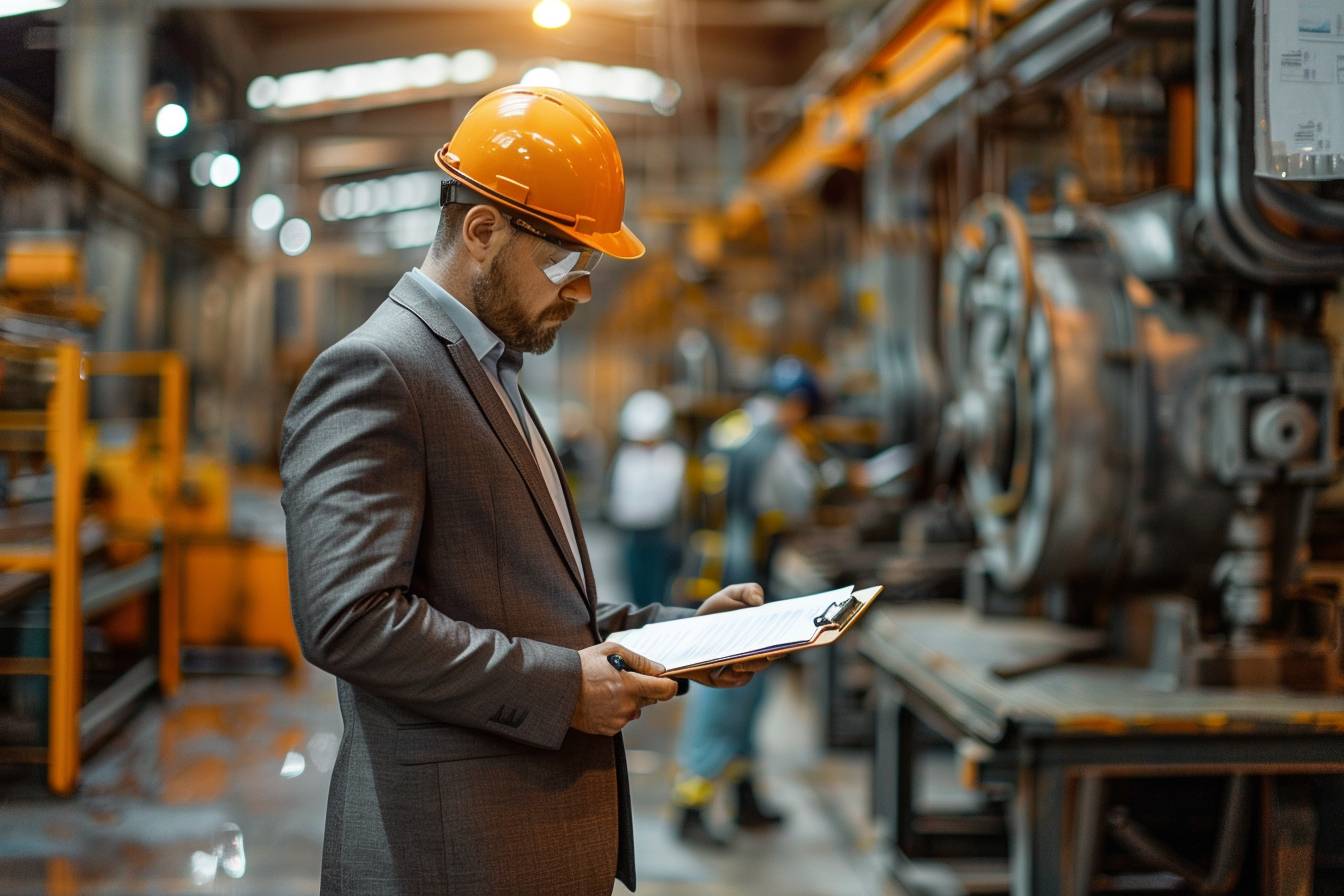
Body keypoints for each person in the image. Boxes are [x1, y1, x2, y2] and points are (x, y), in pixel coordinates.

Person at [280, 85, 768, 896]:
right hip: (450, 855)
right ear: (482, 231)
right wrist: (562, 687)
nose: (580, 292)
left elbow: (522, 604)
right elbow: (349, 620)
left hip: (515, 850)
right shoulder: (380, 370)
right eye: (569, 265)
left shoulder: (486, 370)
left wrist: (683, 640)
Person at [672, 357, 825, 847]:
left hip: (710, 576)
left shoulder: (730, 428)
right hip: (746, 588)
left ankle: (743, 794)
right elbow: (799, 500)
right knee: (725, 698)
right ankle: (691, 805)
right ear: (797, 405)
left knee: (747, 693)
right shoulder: (774, 445)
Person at [607, 389, 687, 606]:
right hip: (632, 530)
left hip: (659, 531)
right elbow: (620, 493)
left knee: (657, 585)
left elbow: (668, 499)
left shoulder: (670, 456)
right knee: (634, 582)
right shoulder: (627, 456)